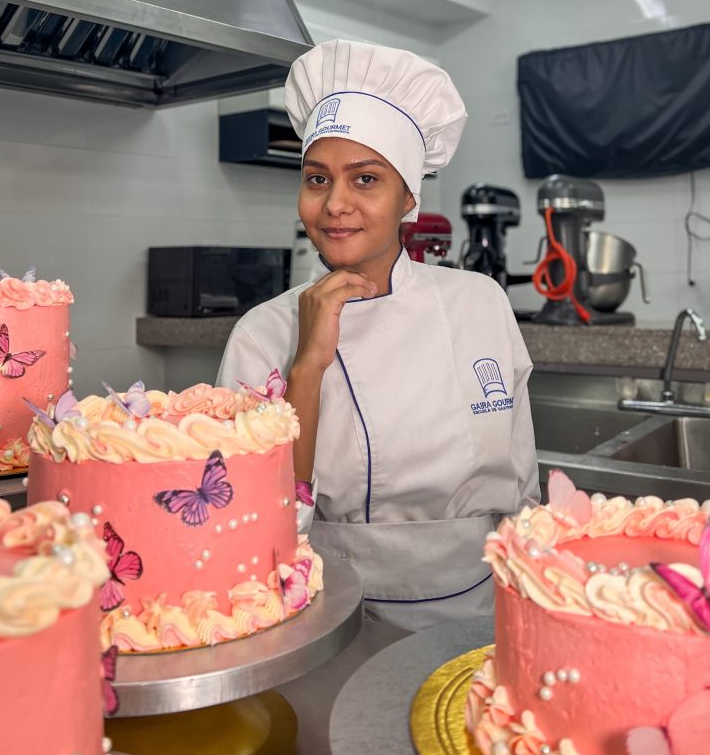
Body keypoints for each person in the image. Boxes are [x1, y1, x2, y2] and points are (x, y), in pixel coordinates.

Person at [218, 39, 539, 630]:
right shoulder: (262, 333)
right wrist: (308, 365)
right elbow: (253, 519)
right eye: (317, 179)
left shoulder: (479, 302)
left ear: (408, 197)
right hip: (324, 615)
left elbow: (523, 491)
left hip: (481, 612)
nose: (335, 204)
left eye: (365, 179)